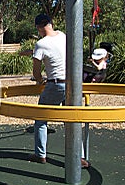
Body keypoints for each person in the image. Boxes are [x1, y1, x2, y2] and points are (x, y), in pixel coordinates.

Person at [28, 14, 90, 168]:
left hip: (56, 84)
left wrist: (39, 79)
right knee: (72, 119)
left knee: (40, 118)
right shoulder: (63, 36)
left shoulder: (41, 44)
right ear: (51, 23)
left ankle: (40, 154)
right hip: (73, 83)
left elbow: (36, 72)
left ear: (39, 27)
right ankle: (80, 157)